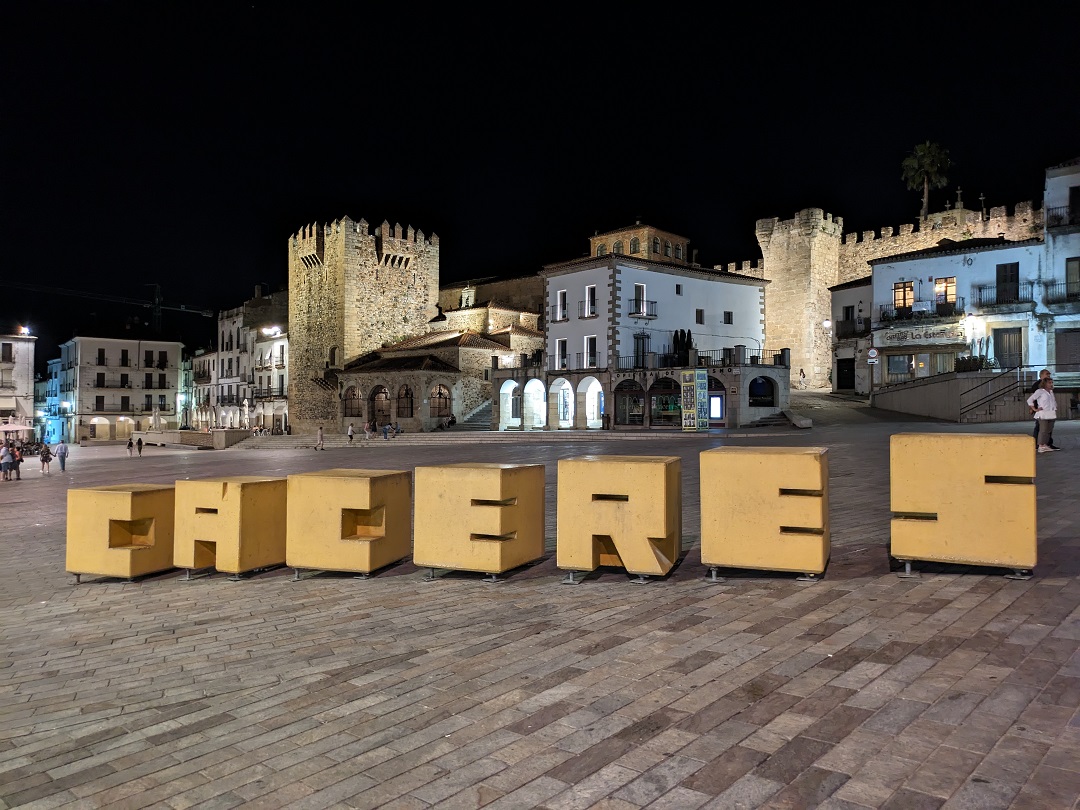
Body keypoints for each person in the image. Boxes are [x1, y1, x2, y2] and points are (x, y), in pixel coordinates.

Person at [1027, 369, 1059, 449]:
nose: (1048, 375)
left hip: (1050, 412)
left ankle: (1046, 443)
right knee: (1041, 428)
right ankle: (1039, 444)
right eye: (1046, 374)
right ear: (1041, 375)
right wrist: (1033, 408)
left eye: (1049, 374)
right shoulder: (1038, 387)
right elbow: (1032, 398)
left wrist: (1054, 407)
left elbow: (1052, 400)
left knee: (1048, 429)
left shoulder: (1050, 391)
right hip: (1042, 411)